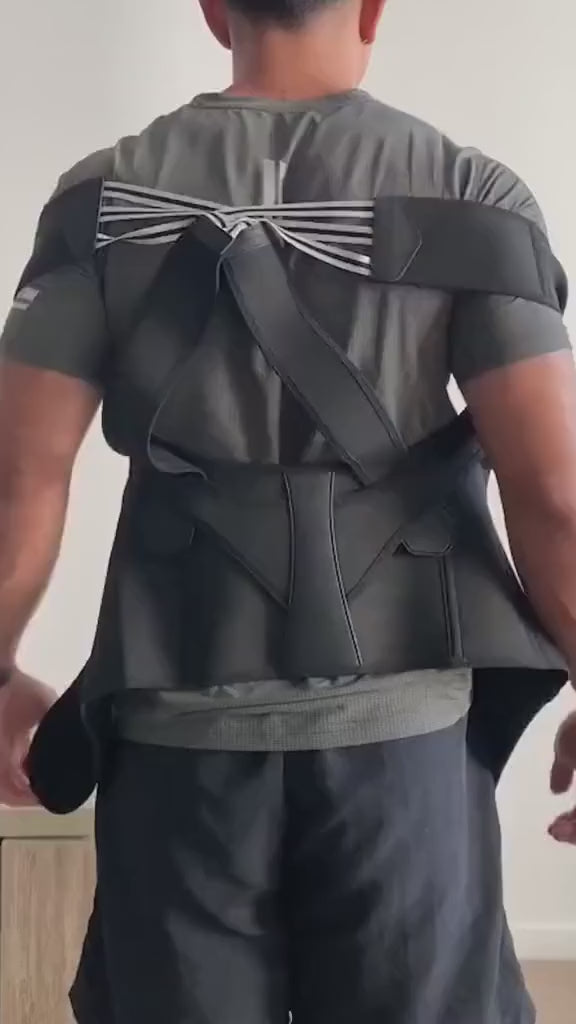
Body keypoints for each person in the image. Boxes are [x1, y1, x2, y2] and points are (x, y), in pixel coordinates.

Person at [1, 0, 576, 1020]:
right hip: (401, 750)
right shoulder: (468, 194)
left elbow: (19, 476)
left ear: (213, 9)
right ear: (372, 7)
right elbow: (555, 496)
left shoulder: (101, 202)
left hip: (177, 741)